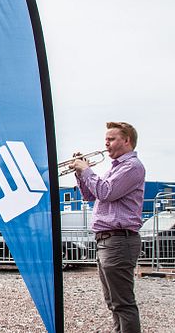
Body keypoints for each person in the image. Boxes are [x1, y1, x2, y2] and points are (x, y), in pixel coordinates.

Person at [70, 121, 145, 333]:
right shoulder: (116, 168)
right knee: (113, 301)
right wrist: (80, 173)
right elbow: (90, 195)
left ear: (127, 140)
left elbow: (105, 192)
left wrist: (87, 170)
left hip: (119, 239)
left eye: (111, 139)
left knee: (123, 303)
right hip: (107, 240)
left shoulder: (132, 167)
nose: (106, 143)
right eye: (106, 139)